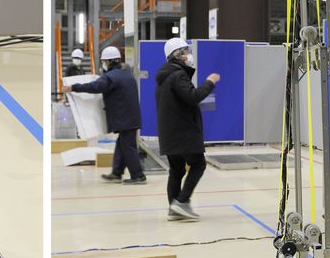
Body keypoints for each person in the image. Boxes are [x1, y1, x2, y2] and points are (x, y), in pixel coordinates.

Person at [155, 38, 219, 220]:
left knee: (176, 170)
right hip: (183, 133)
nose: (188, 55)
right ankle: (181, 202)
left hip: (170, 134)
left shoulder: (165, 77)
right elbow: (193, 96)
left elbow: (181, 101)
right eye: (185, 51)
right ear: (177, 55)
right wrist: (210, 82)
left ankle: (174, 209)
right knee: (198, 165)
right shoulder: (178, 75)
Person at [70, 45, 145, 184]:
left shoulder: (111, 77)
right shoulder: (127, 75)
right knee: (122, 145)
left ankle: (138, 175)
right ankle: (117, 173)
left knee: (128, 147)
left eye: (104, 61)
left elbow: (94, 86)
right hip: (130, 117)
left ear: (109, 61)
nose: (103, 64)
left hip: (125, 119)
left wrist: (74, 87)